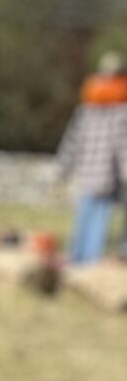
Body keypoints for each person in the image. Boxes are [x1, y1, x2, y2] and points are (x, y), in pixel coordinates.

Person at [55, 50, 127, 265]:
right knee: (98, 221)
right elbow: (123, 148)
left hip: (86, 176)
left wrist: (62, 172)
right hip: (107, 177)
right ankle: (89, 264)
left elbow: (71, 144)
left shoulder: (85, 110)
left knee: (84, 217)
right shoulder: (122, 113)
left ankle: (77, 257)